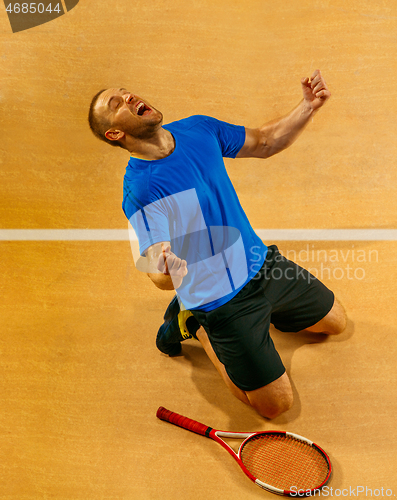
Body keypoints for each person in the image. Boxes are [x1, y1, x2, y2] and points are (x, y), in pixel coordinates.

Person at [88, 70, 347, 419]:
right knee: (275, 405)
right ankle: (193, 323)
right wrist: (164, 264)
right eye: (117, 103)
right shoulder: (142, 189)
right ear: (115, 133)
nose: (131, 97)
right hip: (220, 300)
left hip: (261, 263)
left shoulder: (199, 129)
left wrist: (307, 106)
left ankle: (253, 318)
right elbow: (159, 275)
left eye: (127, 92)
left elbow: (266, 141)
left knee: (335, 323)